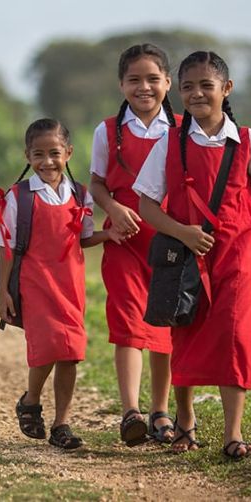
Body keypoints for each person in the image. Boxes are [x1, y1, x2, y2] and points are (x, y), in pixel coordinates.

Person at [133, 51, 251, 459]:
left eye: (206, 85)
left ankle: (232, 435)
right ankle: (185, 424)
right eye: (187, 86)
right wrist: (182, 231)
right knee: (185, 334)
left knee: (236, 339)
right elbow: (146, 205)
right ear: (178, 92)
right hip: (185, 261)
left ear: (226, 89)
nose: (197, 93)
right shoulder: (168, 142)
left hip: (236, 259)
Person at [0, 118, 112, 449]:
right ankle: (31, 399)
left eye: (54, 153)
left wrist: (108, 235)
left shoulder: (80, 195)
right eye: (38, 154)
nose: (47, 161)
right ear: (27, 156)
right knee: (46, 349)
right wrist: (3, 292)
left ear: (69, 153)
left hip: (70, 285)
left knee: (71, 353)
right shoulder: (20, 197)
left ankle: (62, 423)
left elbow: (84, 238)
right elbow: (6, 250)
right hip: (35, 285)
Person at [89, 43, 182, 446]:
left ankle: (160, 412)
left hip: (169, 243)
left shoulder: (183, 129)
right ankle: (131, 411)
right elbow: (96, 183)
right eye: (133, 80)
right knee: (128, 324)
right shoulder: (107, 130)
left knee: (165, 326)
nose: (143, 87)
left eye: (152, 79)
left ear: (167, 82)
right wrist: (112, 206)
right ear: (120, 84)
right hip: (124, 242)